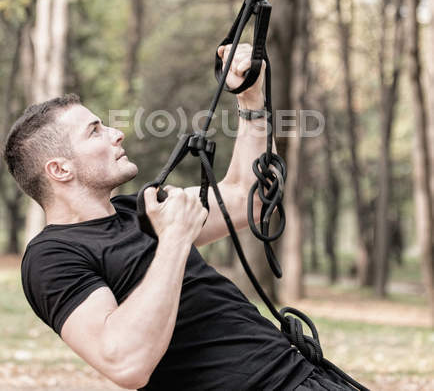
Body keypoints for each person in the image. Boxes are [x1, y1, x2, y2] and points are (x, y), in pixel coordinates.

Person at [4, 44, 357, 391]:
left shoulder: (139, 210)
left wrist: (251, 100)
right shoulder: (51, 256)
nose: (116, 133)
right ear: (59, 169)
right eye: (95, 130)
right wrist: (173, 238)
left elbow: (246, 199)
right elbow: (125, 363)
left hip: (308, 376)